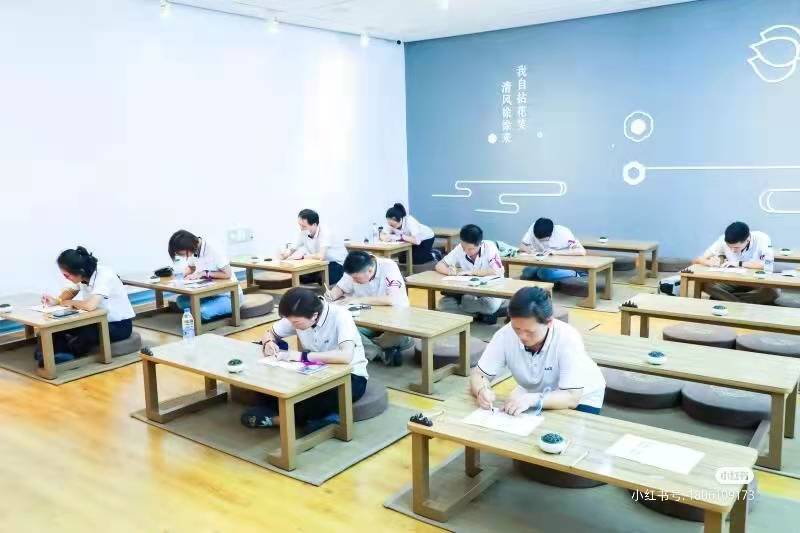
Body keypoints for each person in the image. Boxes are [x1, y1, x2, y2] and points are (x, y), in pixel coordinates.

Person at [241, 287, 368, 430]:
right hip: (317, 372)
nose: (292, 325)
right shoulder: (297, 315)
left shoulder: (340, 316)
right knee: (272, 388)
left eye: (296, 323)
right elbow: (269, 333)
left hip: (351, 377)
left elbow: (346, 356)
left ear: (314, 315)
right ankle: (314, 418)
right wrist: (269, 342)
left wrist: (302, 357)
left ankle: (280, 420)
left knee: (312, 401)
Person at [469, 287, 605, 415]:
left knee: (561, 430)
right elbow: (479, 374)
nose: (522, 336)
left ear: (549, 322)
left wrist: (532, 399)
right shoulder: (504, 335)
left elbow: (572, 398)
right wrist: (481, 390)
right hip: (534, 392)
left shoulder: (568, 338)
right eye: (517, 329)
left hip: (582, 396)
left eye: (530, 331)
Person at [39, 246, 135, 366]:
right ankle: (48, 354)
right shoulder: (83, 275)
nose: (65, 278)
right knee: (58, 326)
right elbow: (71, 291)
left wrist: (68, 303)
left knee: (88, 332)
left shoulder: (105, 275)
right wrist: (57, 300)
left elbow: (90, 306)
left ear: (80, 271)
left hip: (119, 325)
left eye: (67, 275)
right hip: (96, 320)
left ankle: (68, 354)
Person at [326, 251, 412, 366]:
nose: (353, 281)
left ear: (370, 271)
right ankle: (379, 353)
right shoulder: (354, 268)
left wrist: (358, 300)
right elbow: (340, 288)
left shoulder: (388, 266)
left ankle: (364, 346)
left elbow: (392, 299)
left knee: (397, 335)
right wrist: (331, 296)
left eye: (356, 278)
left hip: (393, 320)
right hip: (366, 319)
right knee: (341, 329)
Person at [692, 221, 778, 304]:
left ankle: (726, 299)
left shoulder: (762, 238)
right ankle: (741, 304)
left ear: (747, 240)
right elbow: (697, 259)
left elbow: (767, 264)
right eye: (729, 247)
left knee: (773, 292)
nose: (732, 250)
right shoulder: (722, 239)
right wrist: (709, 262)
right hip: (732, 280)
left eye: (736, 247)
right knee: (705, 285)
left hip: (755, 279)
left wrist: (739, 263)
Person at [434, 224, 505, 324]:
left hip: (491, 291)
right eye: (464, 247)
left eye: (470, 249)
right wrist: (450, 272)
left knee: (490, 306)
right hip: (468, 291)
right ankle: (480, 315)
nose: (466, 251)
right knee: (443, 304)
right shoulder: (460, 248)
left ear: (480, 244)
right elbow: (439, 265)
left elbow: (498, 270)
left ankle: (470, 312)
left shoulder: (489, 247)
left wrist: (472, 272)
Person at [168, 230, 244, 321]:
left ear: (188, 246)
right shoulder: (194, 250)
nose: (184, 257)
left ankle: (206, 311)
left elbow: (228, 274)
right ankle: (207, 309)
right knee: (181, 301)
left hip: (229, 296)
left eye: (183, 254)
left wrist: (204, 273)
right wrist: (183, 275)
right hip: (210, 294)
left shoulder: (213, 249)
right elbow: (191, 267)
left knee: (202, 312)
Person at [281, 209, 346, 285]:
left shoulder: (326, 232)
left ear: (314, 224)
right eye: (300, 225)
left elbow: (320, 256)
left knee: (321, 278)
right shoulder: (303, 231)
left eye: (304, 226)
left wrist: (302, 257)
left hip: (336, 263)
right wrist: (286, 253)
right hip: (320, 264)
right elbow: (293, 247)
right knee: (298, 277)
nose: (301, 228)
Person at [518, 217, 586, 282]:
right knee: (527, 272)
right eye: (539, 240)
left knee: (543, 273)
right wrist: (530, 251)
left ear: (552, 233)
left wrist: (555, 252)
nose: (541, 242)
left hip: (560, 264)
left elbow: (581, 251)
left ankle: (574, 273)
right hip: (542, 262)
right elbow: (522, 245)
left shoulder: (563, 233)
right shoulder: (533, 228)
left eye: (544, 240)